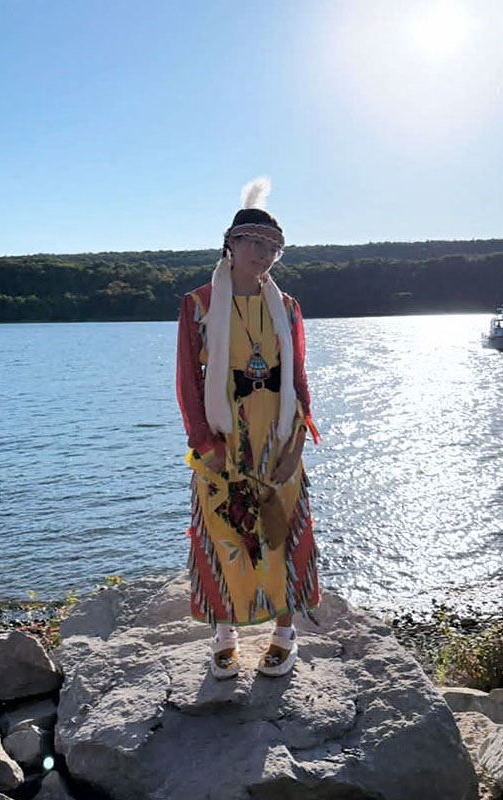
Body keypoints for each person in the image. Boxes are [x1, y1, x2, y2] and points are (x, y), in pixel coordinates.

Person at [176, 177, 320, 679]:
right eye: (255, 243)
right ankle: (224, 634)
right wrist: (204, 445)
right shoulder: (198, 307)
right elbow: (188, 386)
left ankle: (285, 633)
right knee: (222, 534)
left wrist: (296, 446)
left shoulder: (287, 308)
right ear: (231, 245)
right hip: (221, 444)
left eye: (274, 248)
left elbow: (298, 381)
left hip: (277, 440)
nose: (264, 255)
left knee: (281, 534)